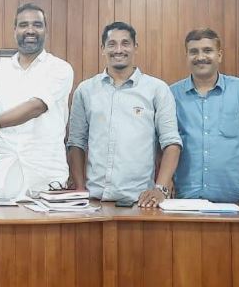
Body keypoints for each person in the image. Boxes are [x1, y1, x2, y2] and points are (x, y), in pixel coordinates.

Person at [0, 3, 74, 199]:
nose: (30, 30)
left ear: (46, 30)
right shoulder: (0, 70)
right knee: (3, 220)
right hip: (6, 174)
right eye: (24, 25)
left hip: (46, 174)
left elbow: (36, 107)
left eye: (37, 25)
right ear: (15, 30)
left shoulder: (60, 68)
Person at [67, 22, 182, 207]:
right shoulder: (85, 90)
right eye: (112, 44)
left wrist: (160, 189)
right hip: (94, 202)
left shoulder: (157, 89)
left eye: (125, 43)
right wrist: (80, 188)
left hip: (141, 202)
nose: (118, 50)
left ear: (135, 47)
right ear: (103, 49)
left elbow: (171, 143)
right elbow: (75, 143)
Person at [170, 28, 239, 204]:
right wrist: (166, 179)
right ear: (187, 56)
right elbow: (163, 139)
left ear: (219, 55)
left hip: (232, 194)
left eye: (207, 50)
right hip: (184, 194)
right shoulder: (171, 93)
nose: (200, 57)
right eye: (194, 52)